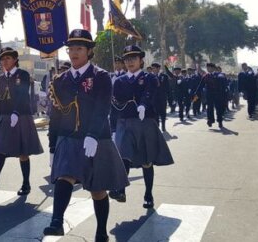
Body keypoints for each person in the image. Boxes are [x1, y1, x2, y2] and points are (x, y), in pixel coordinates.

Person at [44, 30, 128, 241]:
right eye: (71, 48)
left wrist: (92, 134)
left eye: (79, 48)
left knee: (97, 190)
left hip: (96, 139)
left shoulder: (101, 77)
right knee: (65, 176)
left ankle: (101, 231)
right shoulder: (60, 80)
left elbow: (102, 108)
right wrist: (53, 146)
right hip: (69, 137)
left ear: (89, 51)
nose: (73, 53)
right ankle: (56, 222)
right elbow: (55, 115)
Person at [109, 45, 174, 208]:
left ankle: (148, 194)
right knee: (123, 155)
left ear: (141, 60)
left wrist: (144, 105)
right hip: (124, 122)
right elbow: (114, 105)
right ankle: (121, 189)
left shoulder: (149, 77)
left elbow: (149, 93)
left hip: (145, 122)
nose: (130, 62)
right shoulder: (119, 81)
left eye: (133, 58)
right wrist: (112, 129)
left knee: (146, 161)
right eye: (127, 59)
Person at [0, 47, 43, 196]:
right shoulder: (0, 78)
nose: (5, 61)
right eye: (2, 59)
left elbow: (22, 95)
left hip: (21, 116)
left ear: (15, 60)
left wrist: (16, 112)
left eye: (8, 58)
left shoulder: (22, 75)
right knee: (1, 148)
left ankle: (26, 184)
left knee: (23, 152)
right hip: (5, 117)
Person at [203, 63, 227, 128]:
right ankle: (210, 120)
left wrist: (223, 94)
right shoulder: (206, 75)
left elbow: (224, 85)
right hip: (209, 95)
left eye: (209, 67)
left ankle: (220, 121)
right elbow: (202, 84)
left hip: (217, 95)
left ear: (213, 68)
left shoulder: (219, 75)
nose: (207, 69)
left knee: (218, 109)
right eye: (207, 68)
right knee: (209, 108)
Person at [151, 63, 171, 132]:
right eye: (152, 68)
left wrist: (169, 97)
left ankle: (163, 126)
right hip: (154, 99)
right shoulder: (151, 76)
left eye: (154, 68)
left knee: (163, 113)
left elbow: (167, 87)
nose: (153, 70)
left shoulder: (164, 76)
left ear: (158, 68)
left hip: (162, 98)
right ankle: (157, 126)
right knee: (155, 113)